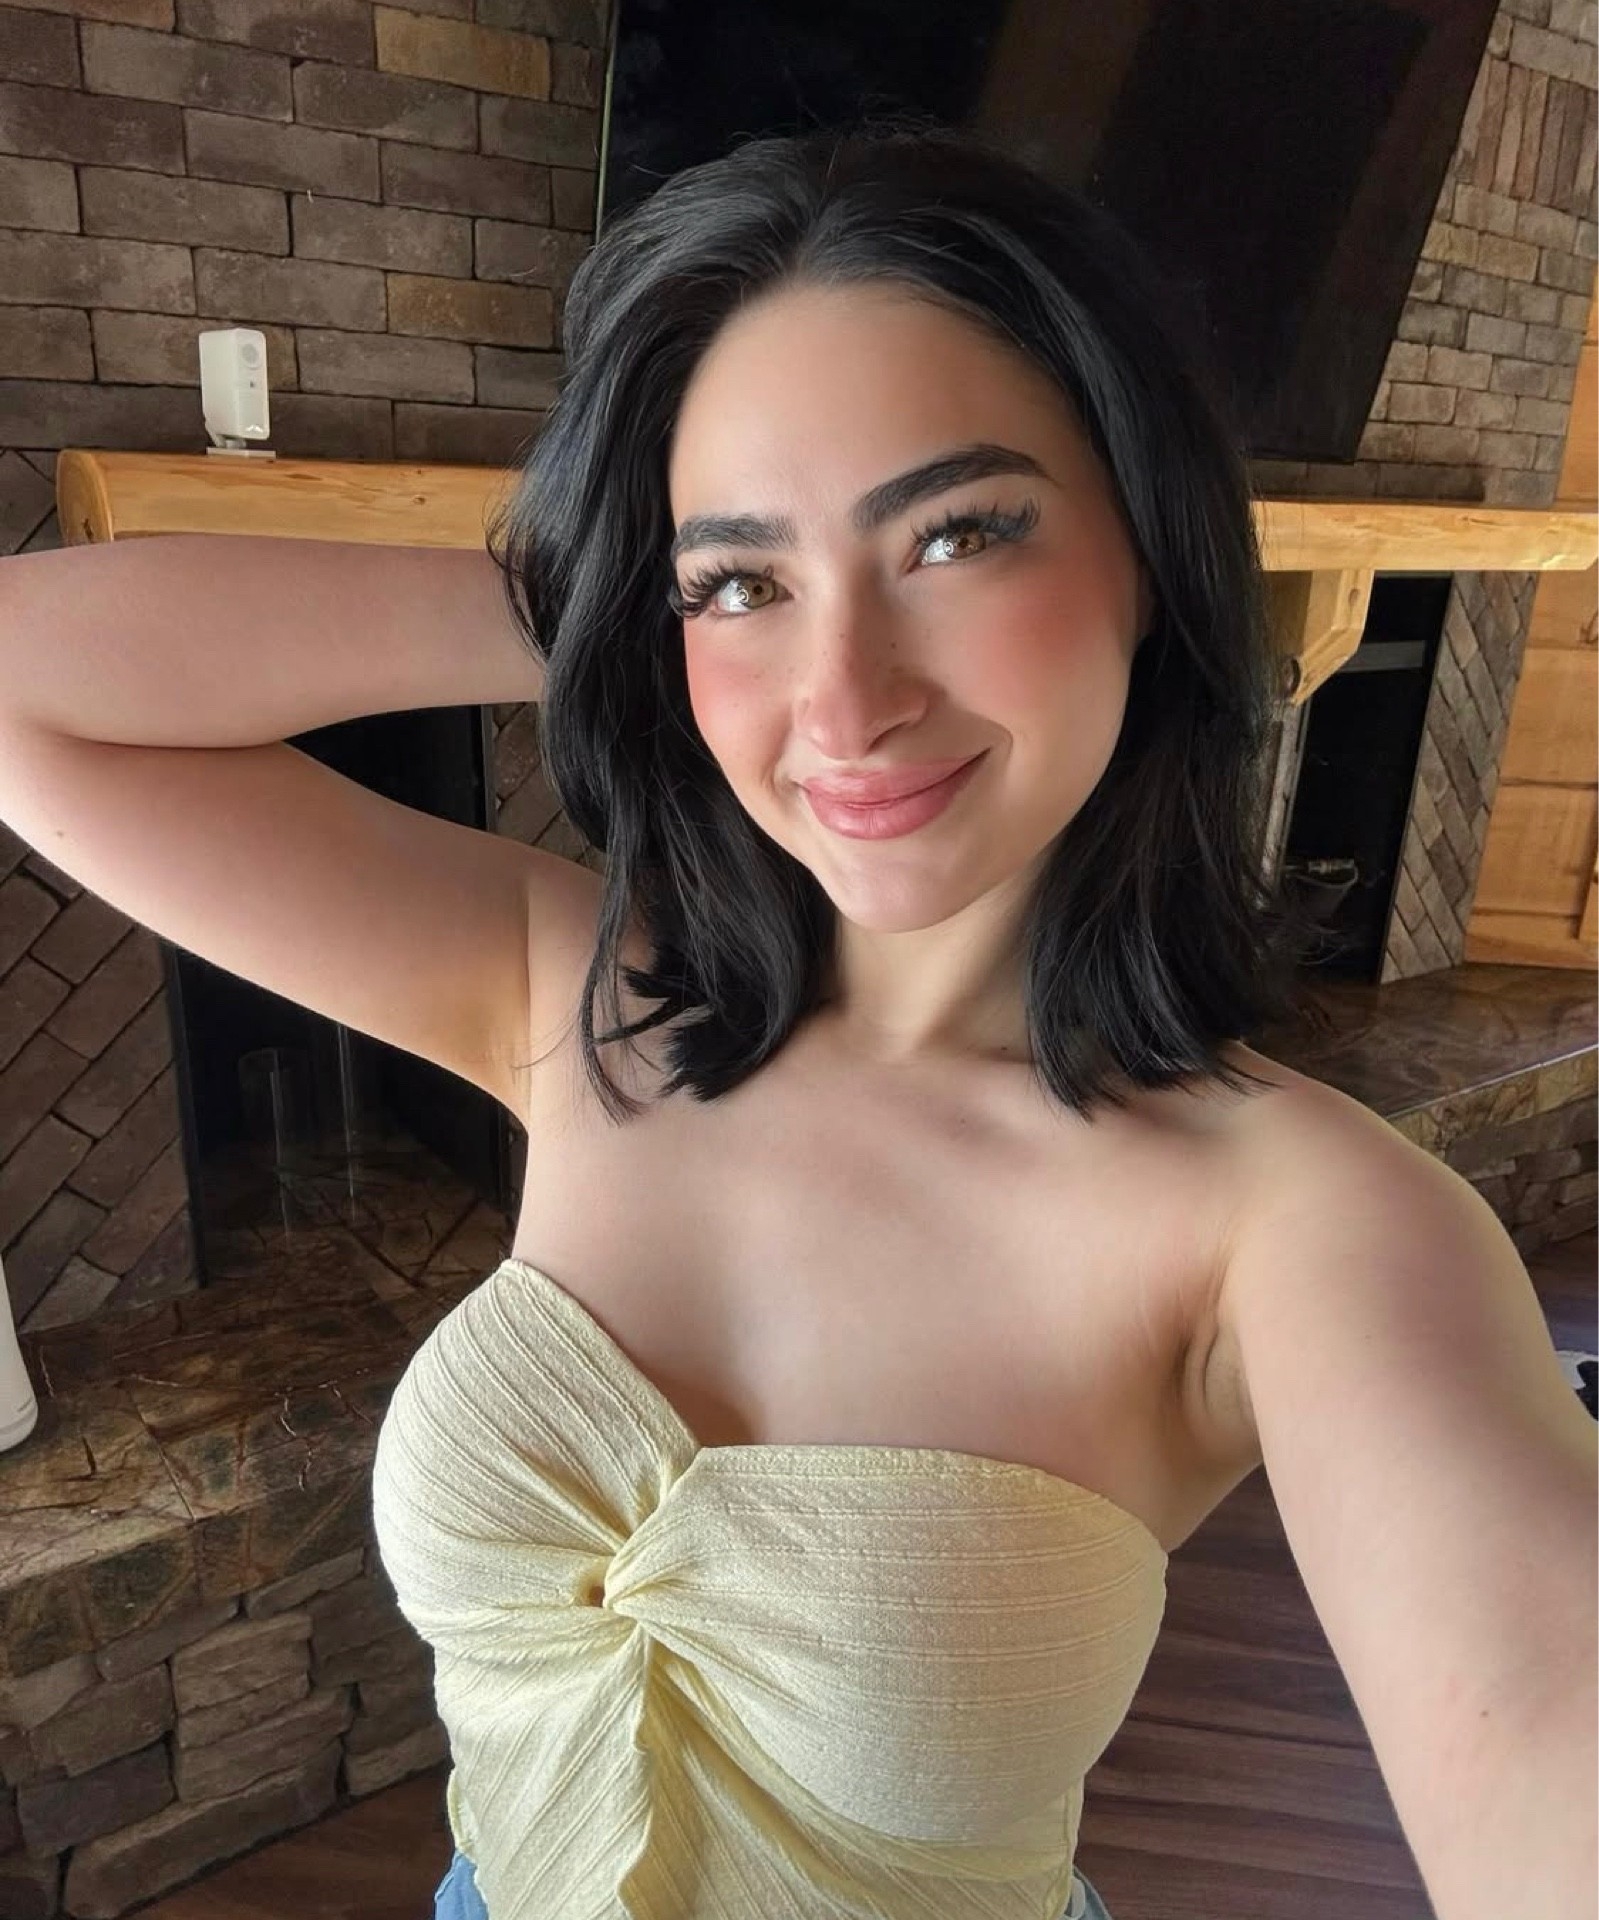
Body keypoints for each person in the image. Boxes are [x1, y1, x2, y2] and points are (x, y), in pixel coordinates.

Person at [0, 120, 1592, 1920]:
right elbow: (26, 683)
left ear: (1147, 552)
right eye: (744, 581)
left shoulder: (1296, 1223)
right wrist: (616, 608)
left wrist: (724, 594)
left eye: (955, 535)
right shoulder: (584, 1002)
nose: (842, 703)